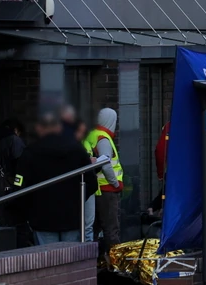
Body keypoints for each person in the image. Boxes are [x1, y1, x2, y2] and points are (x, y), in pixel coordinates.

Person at [13, 112, 97, 245]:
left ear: (40, 128)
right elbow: (92, 183)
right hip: (71, 217)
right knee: (71, 260)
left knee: (47, 261)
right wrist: (76, 202)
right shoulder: (77, 150)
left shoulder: (31, 152)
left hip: (42, 219)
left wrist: (30, 212)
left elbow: (19, 188)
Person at [85, 108, 124, 259]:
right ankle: (116, 264)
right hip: (106, 190)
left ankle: (95, 262)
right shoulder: (103, 138)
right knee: (111, 229)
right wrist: (115, 184)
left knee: (94, 229)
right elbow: (106, 164)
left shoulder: (92, 135)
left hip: (94, 189)